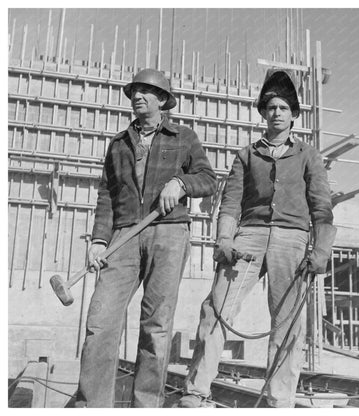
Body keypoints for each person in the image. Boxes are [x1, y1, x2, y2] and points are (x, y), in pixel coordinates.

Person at [178, 69, 336, 408]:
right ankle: (196, 392)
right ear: (263, 113)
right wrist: (224, 239)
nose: (276, 113)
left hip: (291, 240)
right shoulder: (246, 155)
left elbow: (322, 207)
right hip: (248, 238)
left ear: (294, 114)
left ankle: (280, 402)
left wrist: (321, 250)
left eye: (283, 107)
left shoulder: (308, 155)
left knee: (287, 325)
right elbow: (231, 202)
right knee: (215, 309)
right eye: (270, 107)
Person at [75, 68, 217, 408]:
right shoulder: (119, 144)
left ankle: (146, 407)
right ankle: (93, 407)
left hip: (168, 233)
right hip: (123, 235)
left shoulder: (184, 137)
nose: (138, 96)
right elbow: (107, 195)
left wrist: (181, 183)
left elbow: (208, 179)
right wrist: (98, 240)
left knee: (156, 325)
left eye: (146, 91)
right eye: (135, 91)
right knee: (100, 321)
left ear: (163, 100)